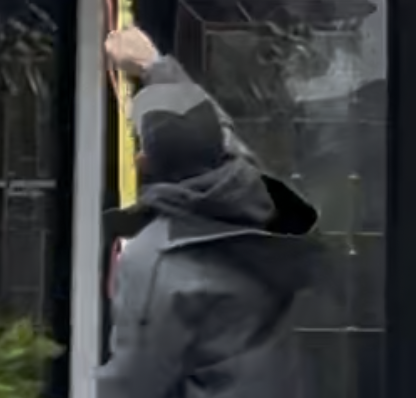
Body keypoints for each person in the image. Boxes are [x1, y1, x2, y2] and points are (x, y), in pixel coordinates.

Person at [98, 24, 323, 398]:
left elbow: (133, 383)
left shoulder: (155, 257)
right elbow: (221, 145)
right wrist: (154, 66)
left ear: (144, 161)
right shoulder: (272, 208)